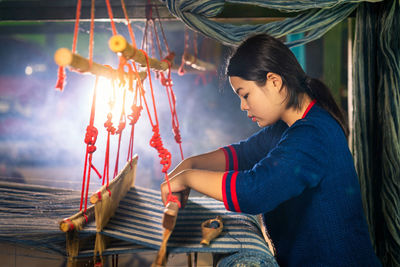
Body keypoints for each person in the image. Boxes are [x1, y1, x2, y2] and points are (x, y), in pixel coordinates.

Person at [160, 34, 381, 266]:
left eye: (245, 95)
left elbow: (255, 191)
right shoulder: (287, 128)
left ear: (274, 81)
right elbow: (242, 155)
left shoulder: (313, 135)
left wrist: (188, 178)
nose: (243, 106)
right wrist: (190, 164)